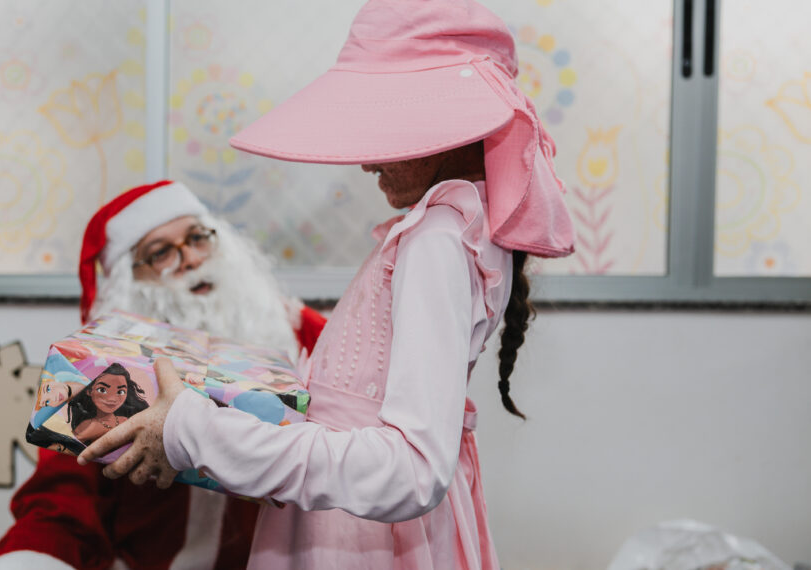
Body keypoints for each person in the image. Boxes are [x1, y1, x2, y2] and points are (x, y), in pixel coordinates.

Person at [79, 1, 575, 568]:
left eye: (377, 125)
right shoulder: (452, 226)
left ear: (440, 121)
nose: (365, 161)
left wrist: (197, 431)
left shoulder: (438, 239)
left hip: (356, 538)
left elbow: (410, 470)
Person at [0, 180, 327, 569]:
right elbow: (64, 500)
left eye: (197, 238)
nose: (189, 259)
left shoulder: (303, 335)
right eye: (161, 253)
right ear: (130, 282)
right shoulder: (102, 373)